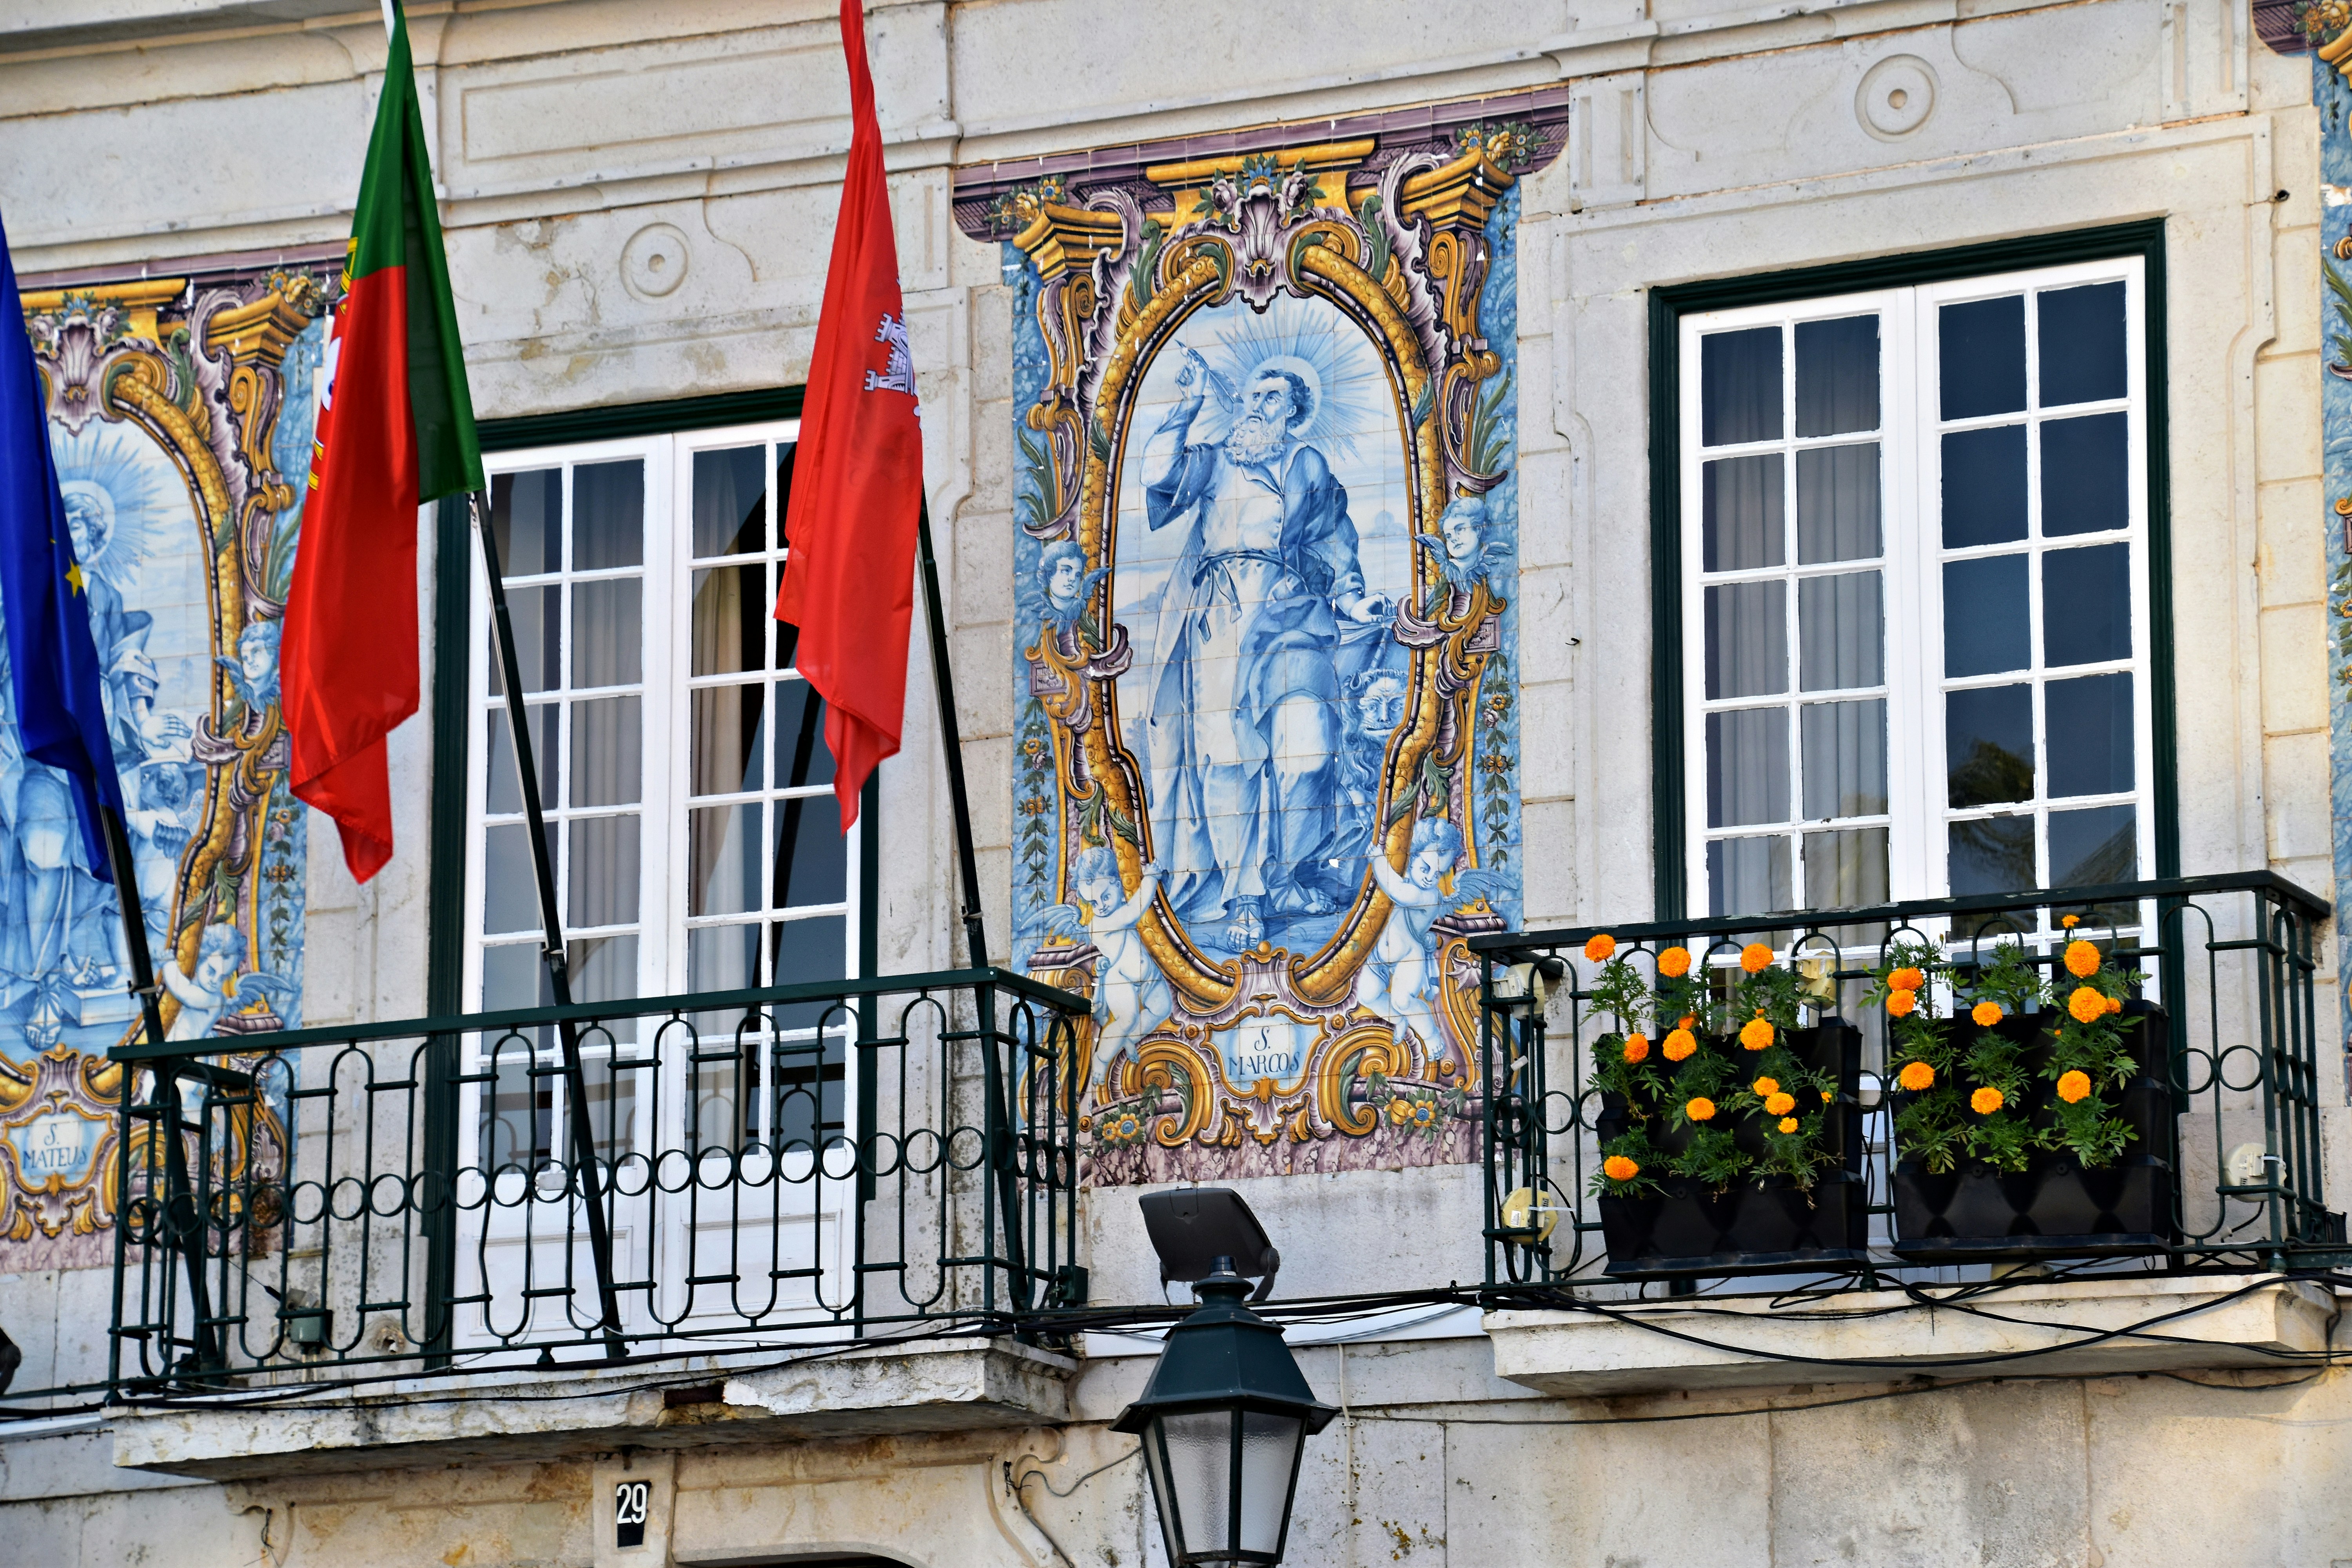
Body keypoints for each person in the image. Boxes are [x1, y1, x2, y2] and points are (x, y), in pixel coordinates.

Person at [1136, 348, 1389, 948]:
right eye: (1249, 396)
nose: (1253, 407)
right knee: (1229, 757)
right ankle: (1245, 892)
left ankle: (1285, 874)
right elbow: (1155, 477)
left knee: (1309, 752)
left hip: (1292, 617)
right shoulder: (1219, 461)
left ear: (1294, 412)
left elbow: (1334, 541)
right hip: (1220, 621)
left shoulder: (1308, 467)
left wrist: (1354, 600)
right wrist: (1188, 406)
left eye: (1270, 397)